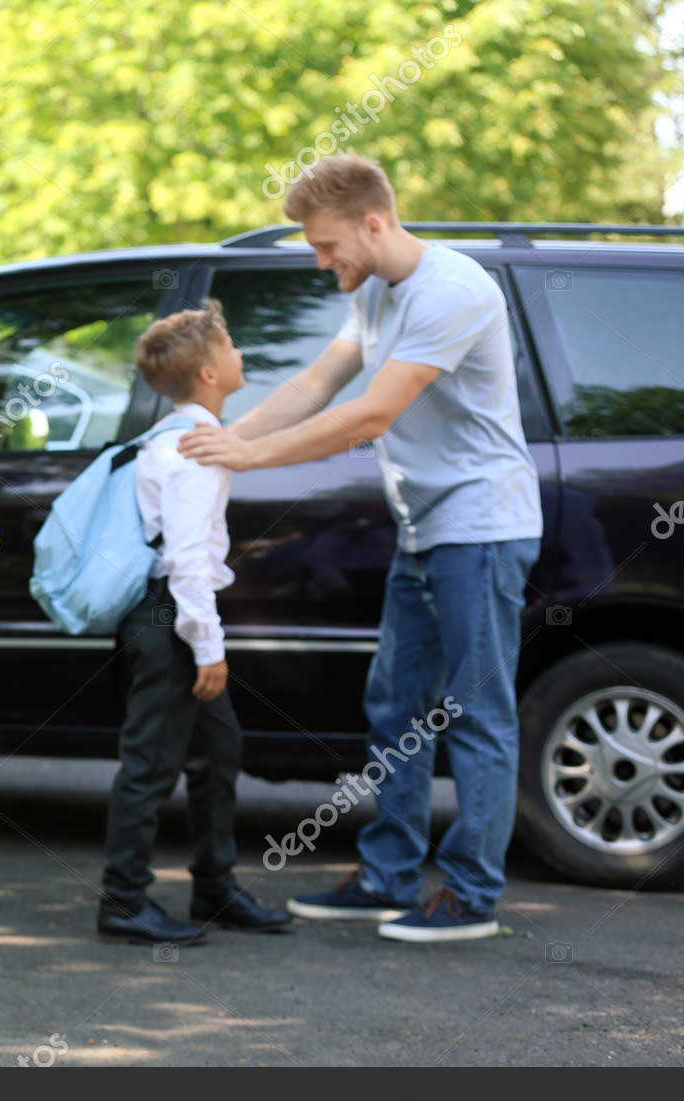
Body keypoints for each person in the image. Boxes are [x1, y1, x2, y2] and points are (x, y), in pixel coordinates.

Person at [178, 154, 541, 942]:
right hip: (425, 526)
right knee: (395, 705)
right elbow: (318, 383)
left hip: (481, 526)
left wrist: (250, 460)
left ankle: (472, 895)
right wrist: (220, 437)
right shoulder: (375, 290)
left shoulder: (454, 290)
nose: (320, 260)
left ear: (373, 224)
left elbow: (371, 413)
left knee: (476, 711)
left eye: (325, 244)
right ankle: (388, 874)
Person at [97, 301, 293, 946]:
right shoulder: (194, 449)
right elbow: (185, 561)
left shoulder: (175, 437)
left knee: (217, 751)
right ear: (209, 373)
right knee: (150, 762)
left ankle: (215, 887)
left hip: (167, 616)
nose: (240, 353)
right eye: (231, 344)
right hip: (170, 622)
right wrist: (208, 649)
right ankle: (123, 901)